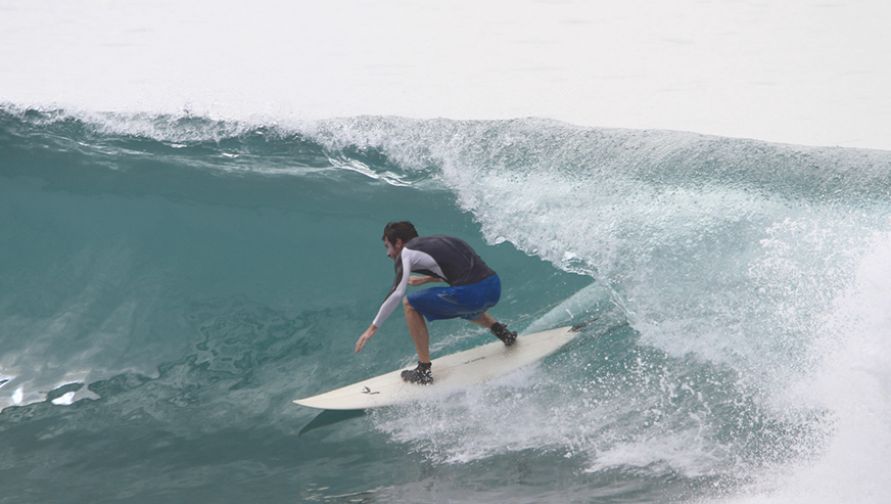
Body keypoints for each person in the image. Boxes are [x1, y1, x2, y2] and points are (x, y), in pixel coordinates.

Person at [354, 221, 518, 385]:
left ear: (398, 242)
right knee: (458, 300)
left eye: (387, 246)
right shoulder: (442, 240)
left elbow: (397, 292)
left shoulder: (406, 252)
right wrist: (426, 279)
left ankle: (423, 371)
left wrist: (372, 328)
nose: (388, 253)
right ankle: (502, 332)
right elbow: (462, 270)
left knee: (409, 303)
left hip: (470, 294)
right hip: (493, 287)